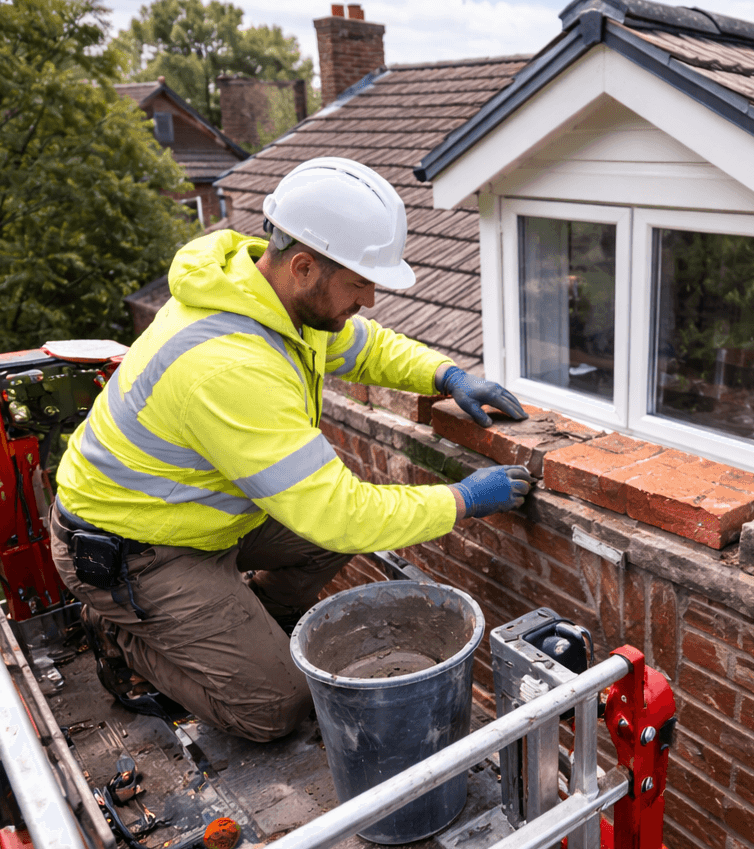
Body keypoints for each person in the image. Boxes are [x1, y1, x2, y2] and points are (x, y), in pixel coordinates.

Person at [49, 157, 532, 742]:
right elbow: (340, 514)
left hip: (199, 519)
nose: (371, 299)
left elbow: (364, 346)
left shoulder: (273, 301)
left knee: (319, 546)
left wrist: (446, 374)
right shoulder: (227, 365)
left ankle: (245, 628)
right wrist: (462, 499)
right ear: (304, 267)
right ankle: (121, 630)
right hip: (134, 550)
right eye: (360, 284)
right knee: (275, 709)